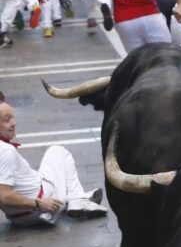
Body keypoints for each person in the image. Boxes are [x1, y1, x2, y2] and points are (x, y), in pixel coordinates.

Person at [0, 92, 107, 225]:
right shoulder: (5, 151)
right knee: (58, 151)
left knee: (50, 169)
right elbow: (4, 196)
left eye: (12, 117)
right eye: (7, 120)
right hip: (40, 208)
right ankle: (78, 200)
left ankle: (75, 199)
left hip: (18, 216)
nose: (13, 123)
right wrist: (39, 204)